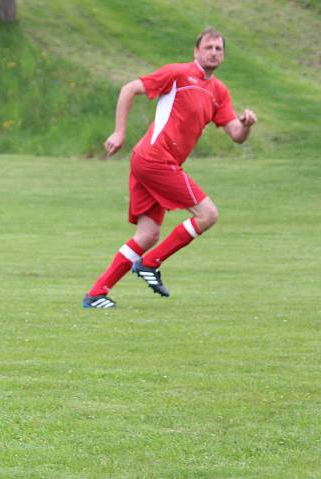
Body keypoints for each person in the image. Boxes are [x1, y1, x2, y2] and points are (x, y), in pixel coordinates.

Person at [82, 27, 257, 308]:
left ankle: (96, 294)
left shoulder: (219, 92)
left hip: (150, 162)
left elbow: (236, 134)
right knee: (208, 214)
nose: (213, 52)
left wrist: (246, 125)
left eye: (219, 49)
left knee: (148, 234)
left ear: (223, 56)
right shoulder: (177, 74)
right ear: (196, 51)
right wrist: (119, 132)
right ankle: (150, 263)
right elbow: (129, 89)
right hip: (154, 159)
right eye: (208, 47)